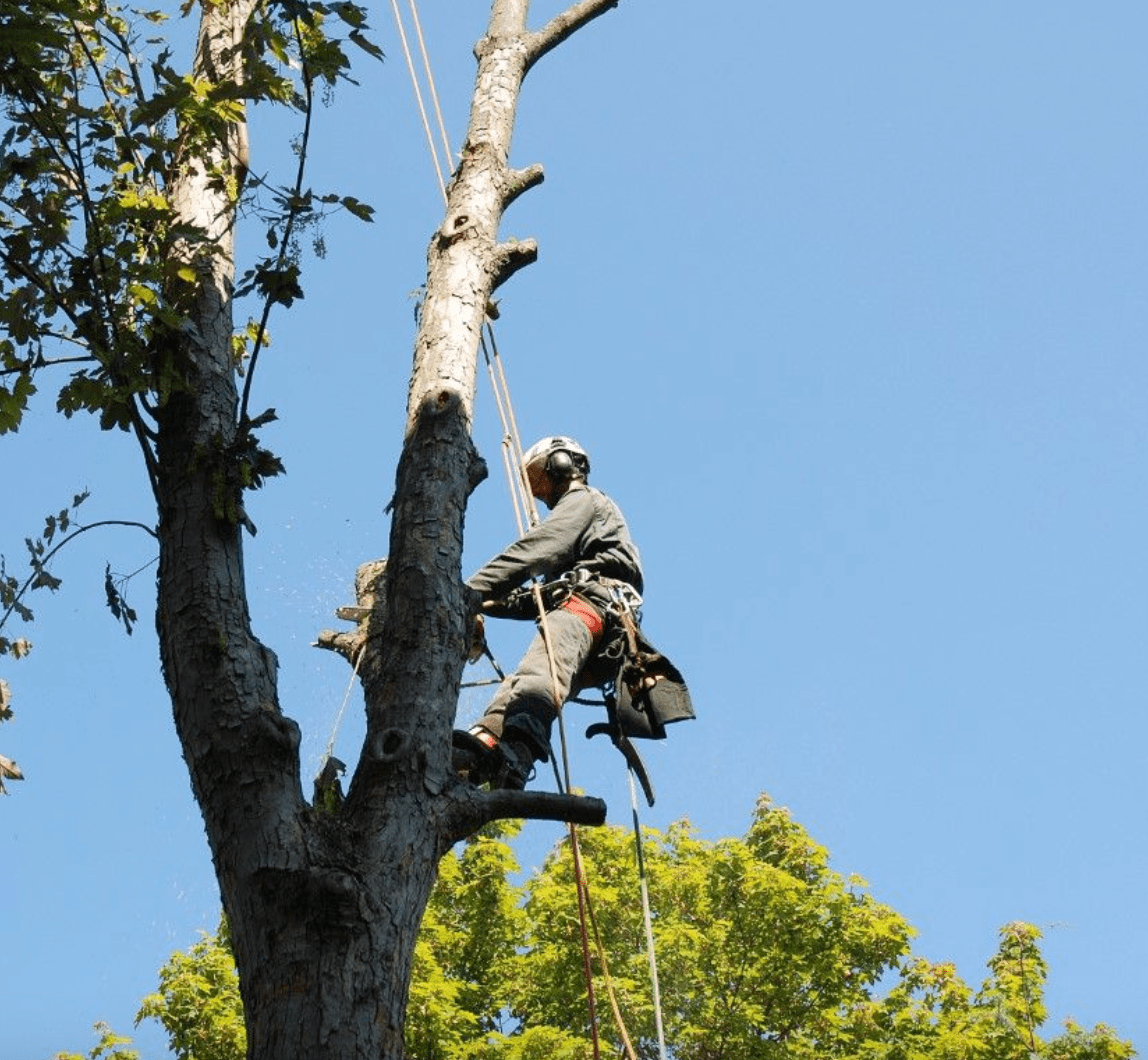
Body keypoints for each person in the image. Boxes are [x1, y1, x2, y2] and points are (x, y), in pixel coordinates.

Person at [455, 435, 645, 790]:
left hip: (592, 608)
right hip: (598, 638)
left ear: (564, 463)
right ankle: (484, 749)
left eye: (542, 476)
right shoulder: (579, 555)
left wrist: (464, 593)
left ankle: (517, 753)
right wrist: (481, 604)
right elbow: (536, 599)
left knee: (538, 674)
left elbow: (538, 548)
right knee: (519, 684)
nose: (542, 492)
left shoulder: (584, 500)